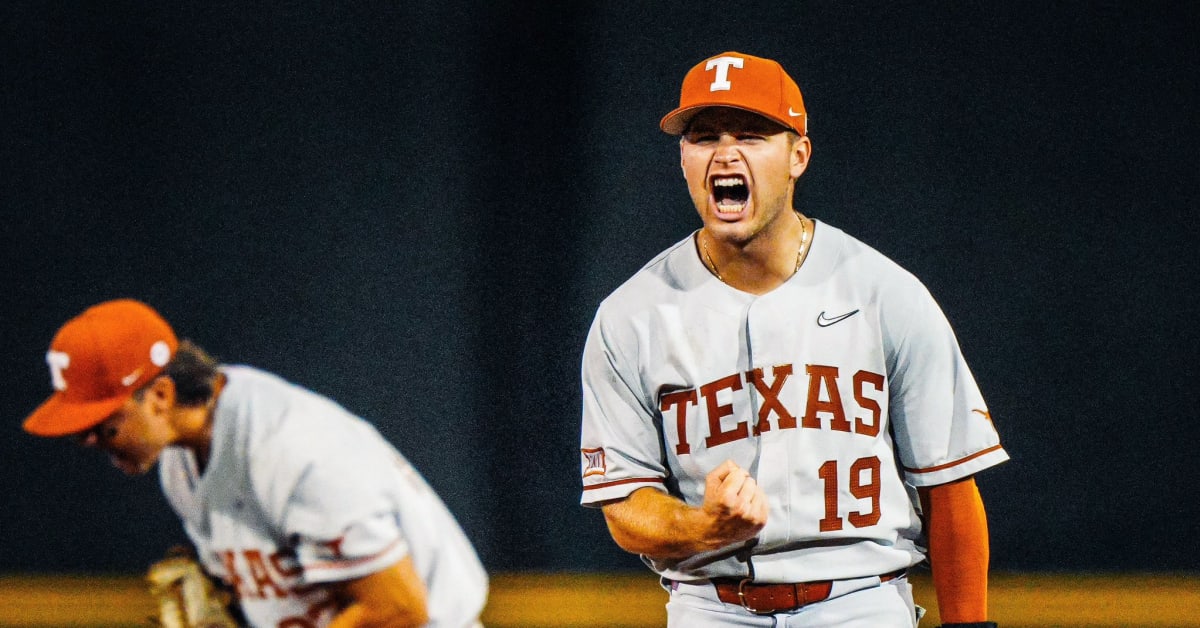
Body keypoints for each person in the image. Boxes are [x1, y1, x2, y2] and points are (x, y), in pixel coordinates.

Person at [578, 51, 1008, 627]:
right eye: (703, 137)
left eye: (752, 135)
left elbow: (950, 485)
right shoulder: (629, 316)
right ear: (682, 158)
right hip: (710, 607)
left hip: (859, 601)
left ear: (798, 155)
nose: (725, 154)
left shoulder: (886, 293)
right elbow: (625, 506)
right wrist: (704, 529)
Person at [23, 298, 488, 627]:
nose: (87, 439)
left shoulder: (292, 449)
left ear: (161, 396)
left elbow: (400, 609)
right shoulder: (181, 464)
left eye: (104, 423)